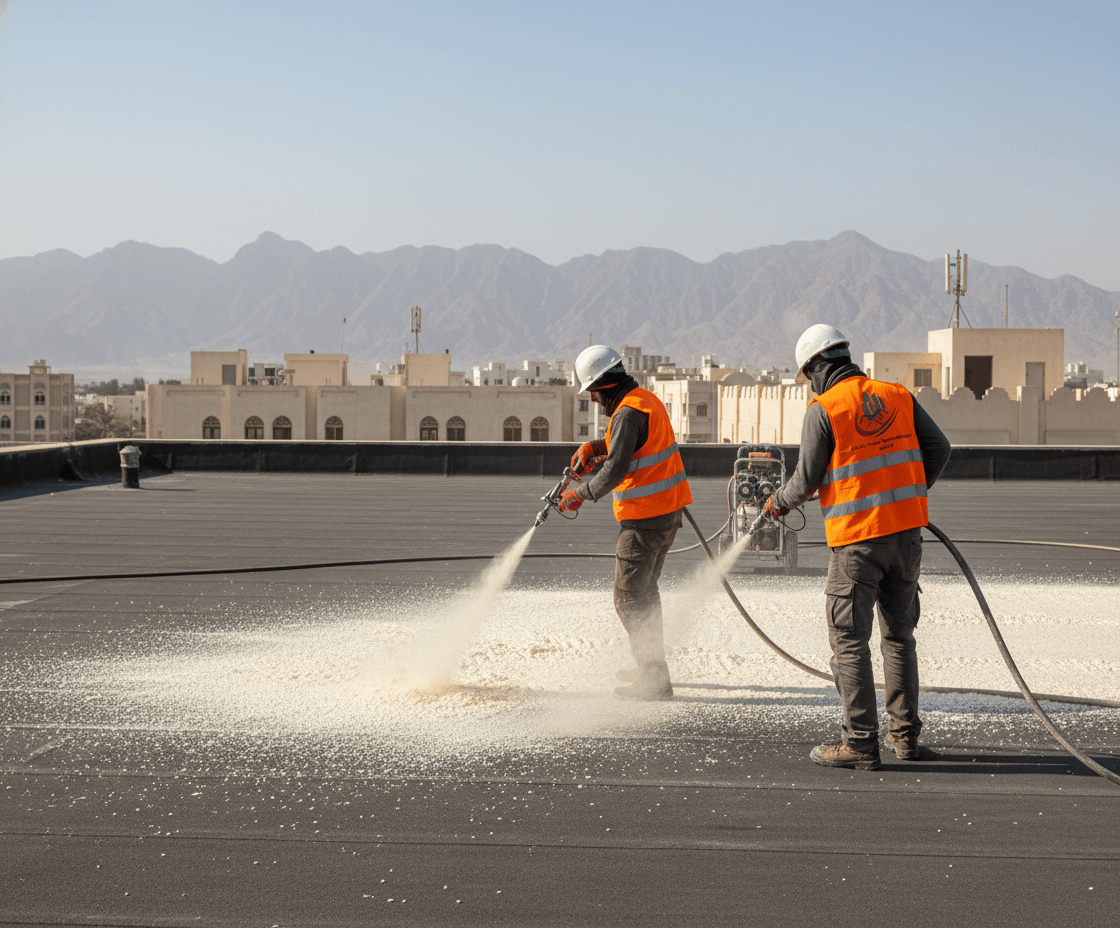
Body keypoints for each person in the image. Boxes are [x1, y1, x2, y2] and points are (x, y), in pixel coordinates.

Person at [767, 324, 951, 770]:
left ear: (814, 367)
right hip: (906, 536)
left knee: (849, 640)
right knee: (899, 637)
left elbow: (806, 479)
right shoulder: (897, 395)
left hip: (856, 544)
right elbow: (939, 447)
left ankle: (860, 743)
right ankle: (904, 739)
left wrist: (778, 503)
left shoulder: (824, 409)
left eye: (806, 374)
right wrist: (908, 492)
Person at [558, 345, 693, 700]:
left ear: (603, 384)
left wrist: (580, 494)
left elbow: (616, 469)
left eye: (591, 389)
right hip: (666, 513)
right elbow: (631, 445)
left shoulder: (627, 413)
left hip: (644, 520)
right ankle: (650, 665)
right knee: (646, 593)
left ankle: (654, 679)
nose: (590, 396)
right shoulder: (643, 399)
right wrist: (595, 445)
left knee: (628, 598)